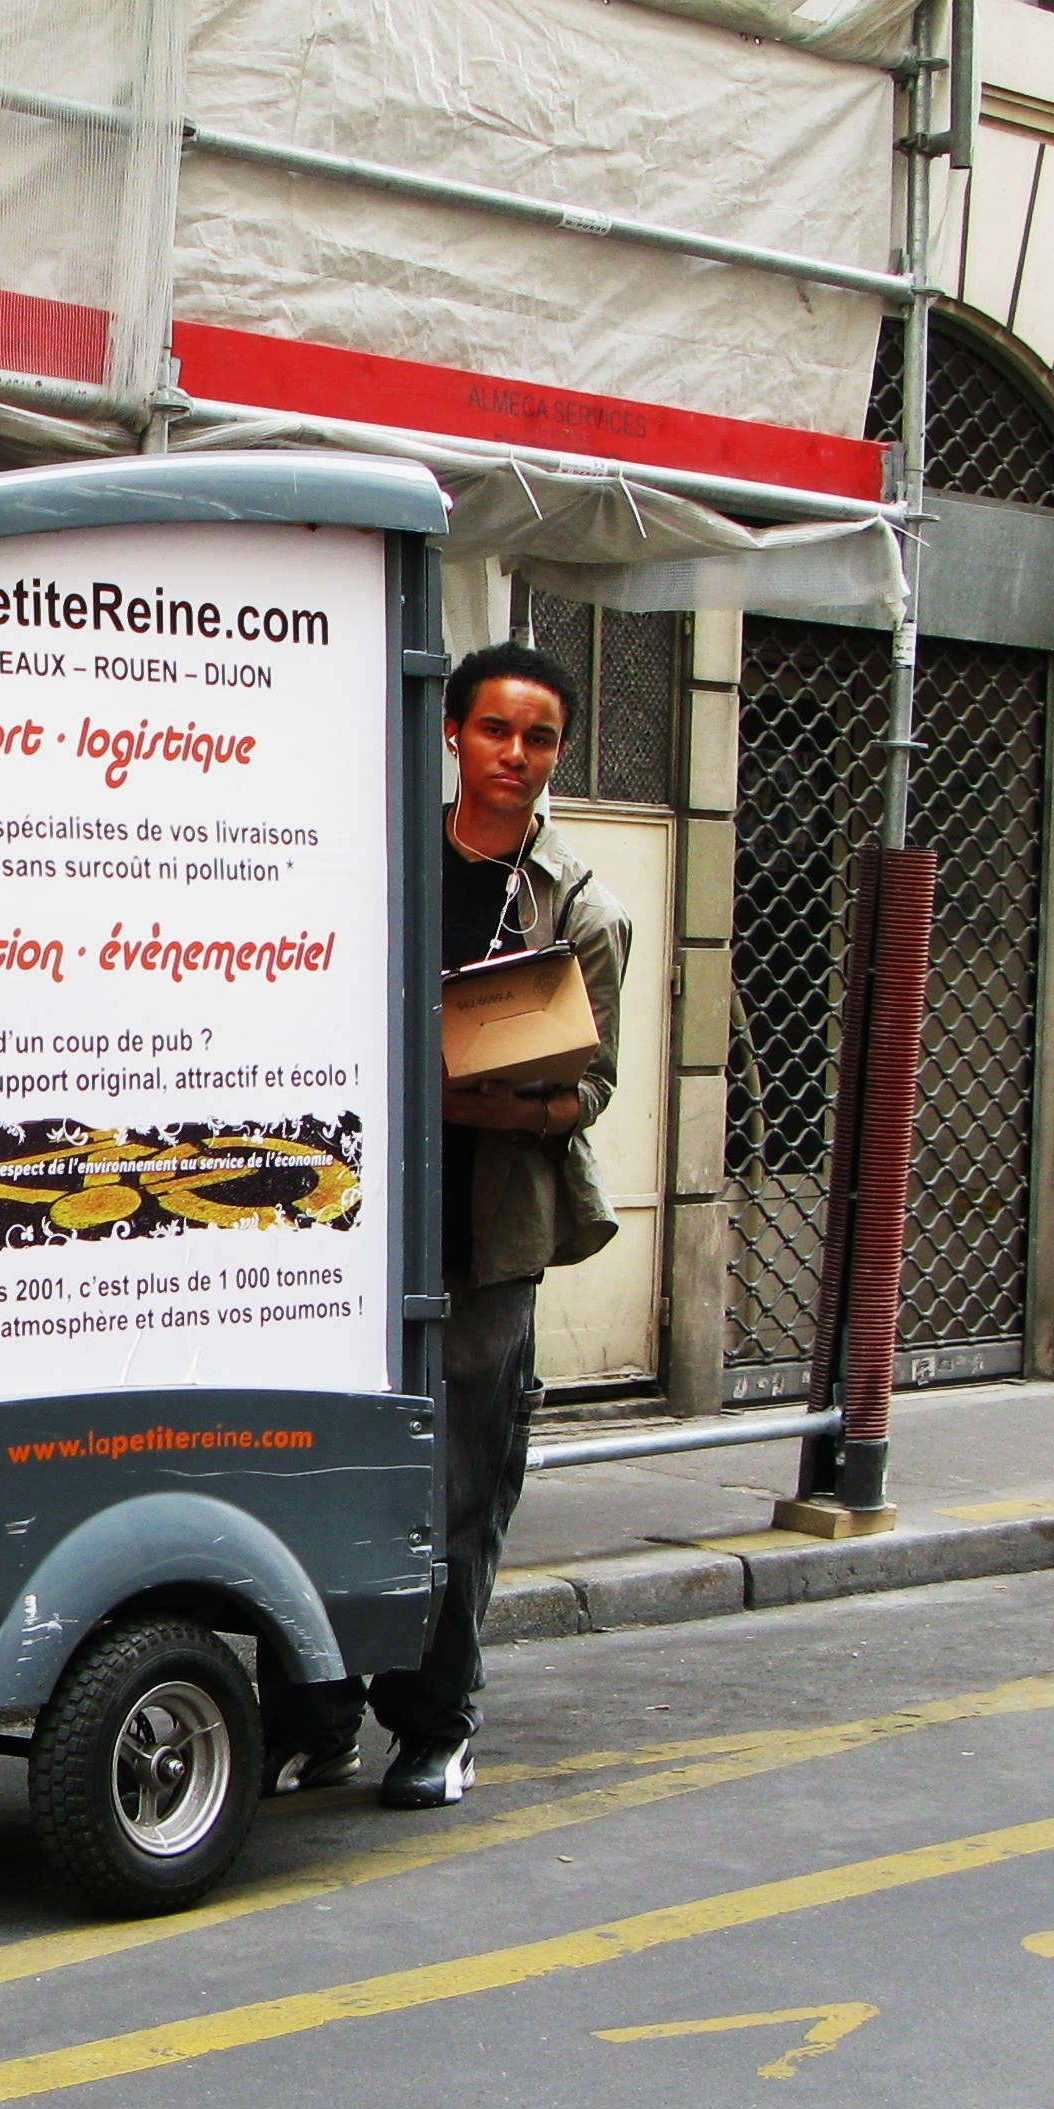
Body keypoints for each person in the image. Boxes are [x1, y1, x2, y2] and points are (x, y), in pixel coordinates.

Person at [273, 638, 628, 1809]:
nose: (513, 755)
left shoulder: (579, 907)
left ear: (555, 752)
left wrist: (466, 1092)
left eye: (536, 738)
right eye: (493, 730)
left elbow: (586, 1092)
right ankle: (313, 1718)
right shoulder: (382, 862)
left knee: (459, 1492)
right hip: (354, 1232)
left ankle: (436, 1721)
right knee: (323, 1471)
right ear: (452, 734)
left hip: (485, 1243)